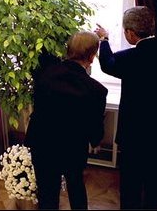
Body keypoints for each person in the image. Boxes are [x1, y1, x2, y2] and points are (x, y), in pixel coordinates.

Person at [94, 6, 157, 209]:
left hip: (134, 134)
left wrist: (104, 40)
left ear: (130, 33)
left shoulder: (127, 58)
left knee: (131, 184)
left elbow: (107, 64)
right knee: (156, 182)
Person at [24, 31, 108, 210]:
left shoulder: (43, 74)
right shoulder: (97, 90)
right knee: (76, 185)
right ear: (92, 58)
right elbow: (95, 126)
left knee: (47, 193)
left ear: (68, 50)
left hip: (42, 143)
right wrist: (96, 140)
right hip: (73, 148)